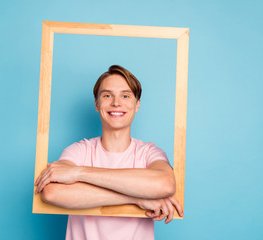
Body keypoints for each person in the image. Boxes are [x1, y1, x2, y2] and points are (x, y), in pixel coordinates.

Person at [35, 65, 183, 240]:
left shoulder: (149, 153)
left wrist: (79, 172)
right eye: (107, 95)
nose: (116, 102)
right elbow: (52, 192)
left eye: (125, 95)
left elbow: (164, 185)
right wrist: (136, 198)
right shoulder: (79, 151)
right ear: (97, 104)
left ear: (137, 105)